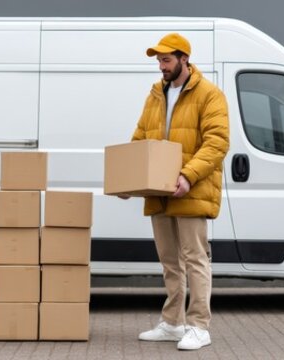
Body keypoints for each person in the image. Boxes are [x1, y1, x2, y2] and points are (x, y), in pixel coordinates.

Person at [119, 32, 229, 351]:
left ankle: (198, 326)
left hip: (190, 189)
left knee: (195, 258)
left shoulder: (209, 94)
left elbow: (217, 142)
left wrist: (188, 175)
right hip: (159, 192)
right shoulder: (156, 93)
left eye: (166, 60)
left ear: (184, 59)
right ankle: (172, 323)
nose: (161, 67)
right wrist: (129, 178)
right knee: (169, 261)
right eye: (158, 61)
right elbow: (140, 138)